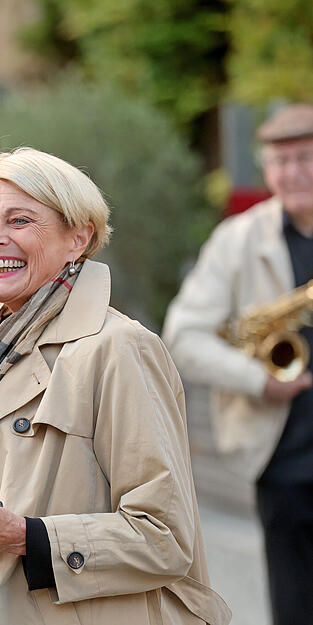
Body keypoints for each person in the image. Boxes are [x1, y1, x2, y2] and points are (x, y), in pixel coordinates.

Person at [0, 147, 231, 625]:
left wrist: (24, 536)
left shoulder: (119, 347)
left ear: (79, 238)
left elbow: (166, 537)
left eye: (20, 221)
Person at [162, 103, 313, 625]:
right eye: (280, 161)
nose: (293, 172)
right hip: (285, 454)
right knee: (295, 603)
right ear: (265, 168)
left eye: (305, 158)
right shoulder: (238, 239)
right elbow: (182, 335)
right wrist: (258, 380)